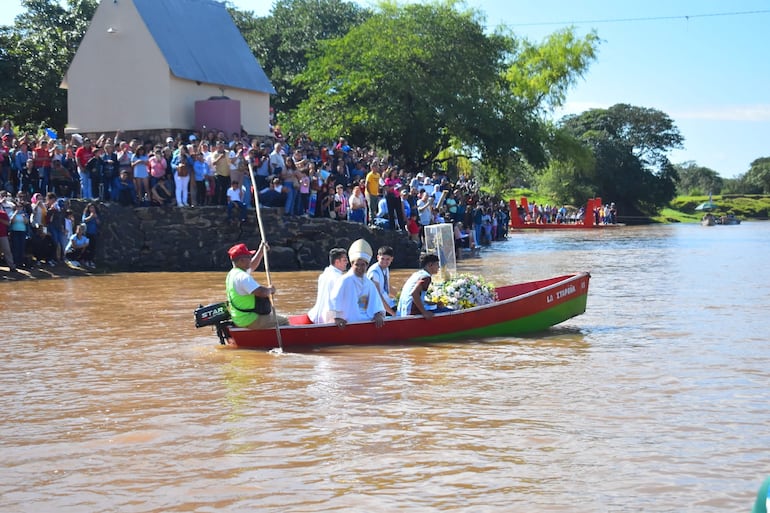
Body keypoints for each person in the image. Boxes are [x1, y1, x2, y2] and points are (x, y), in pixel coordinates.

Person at [225, 242, 288, 329]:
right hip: (250, 319)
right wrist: (270, 290)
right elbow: (261, 292)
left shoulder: (233, 273)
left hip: (239, 318)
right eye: (249, 257)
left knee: (274, 317)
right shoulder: (243, 277)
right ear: (241, 261)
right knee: (284, 320)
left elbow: (252, 266)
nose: (250, 259)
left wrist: (261, 251)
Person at [329, 239, 385, 329]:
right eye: (357, 264)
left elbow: (376, 302)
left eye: (363, 265)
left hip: (366, 320)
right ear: (352, 265)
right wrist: (337, 318)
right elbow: (334, 299)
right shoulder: (344, 280)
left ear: (367, 266)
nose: (360, 267)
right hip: (348, 321)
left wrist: (378, 314)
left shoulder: (369, 283)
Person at [397, 253, 448, 318]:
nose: (439, 267)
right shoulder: (426, 277)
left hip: (403, 311)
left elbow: (415, 296)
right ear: (430, 265)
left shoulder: (416, 274)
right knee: (448, 311)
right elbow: (414, 294)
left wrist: (434, 303)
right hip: (411, 312)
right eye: (437, 264)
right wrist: (424, 313)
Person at [307, 247, 348, 324]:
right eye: (344, 260)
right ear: (337, 262)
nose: (347, 262)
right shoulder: (338, 278)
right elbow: (338, 300)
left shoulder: (324, 274)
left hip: (315, 316)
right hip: (329, 318)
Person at [366, 245, 396, 316]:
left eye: (387, 259)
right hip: (376, 306)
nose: (385, 262)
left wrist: (399, 296)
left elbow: (388, 287)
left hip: (386, 302)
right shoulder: (374, 272)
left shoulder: (385, 268)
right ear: (378, 257)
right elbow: (377, 296)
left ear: (392, 259)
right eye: (382, 259)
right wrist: (393, 313)